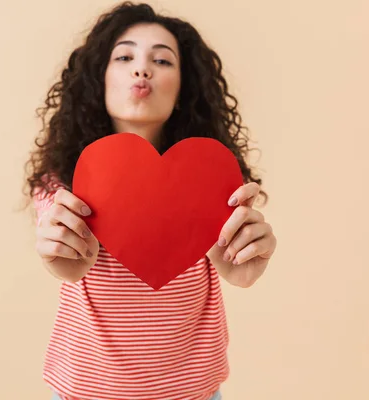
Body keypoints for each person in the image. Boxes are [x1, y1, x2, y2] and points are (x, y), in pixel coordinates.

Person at [23, 2, 278, 399]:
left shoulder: (214, 180)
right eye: (124, 56)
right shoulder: (62, 185)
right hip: (84, 392)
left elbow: (231, 264)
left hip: (194, 392)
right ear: (99, 80)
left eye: (162, 60)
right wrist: (60, 256)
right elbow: (68, 266)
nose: (142, 68)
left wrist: (242, 266)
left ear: (183, 90)